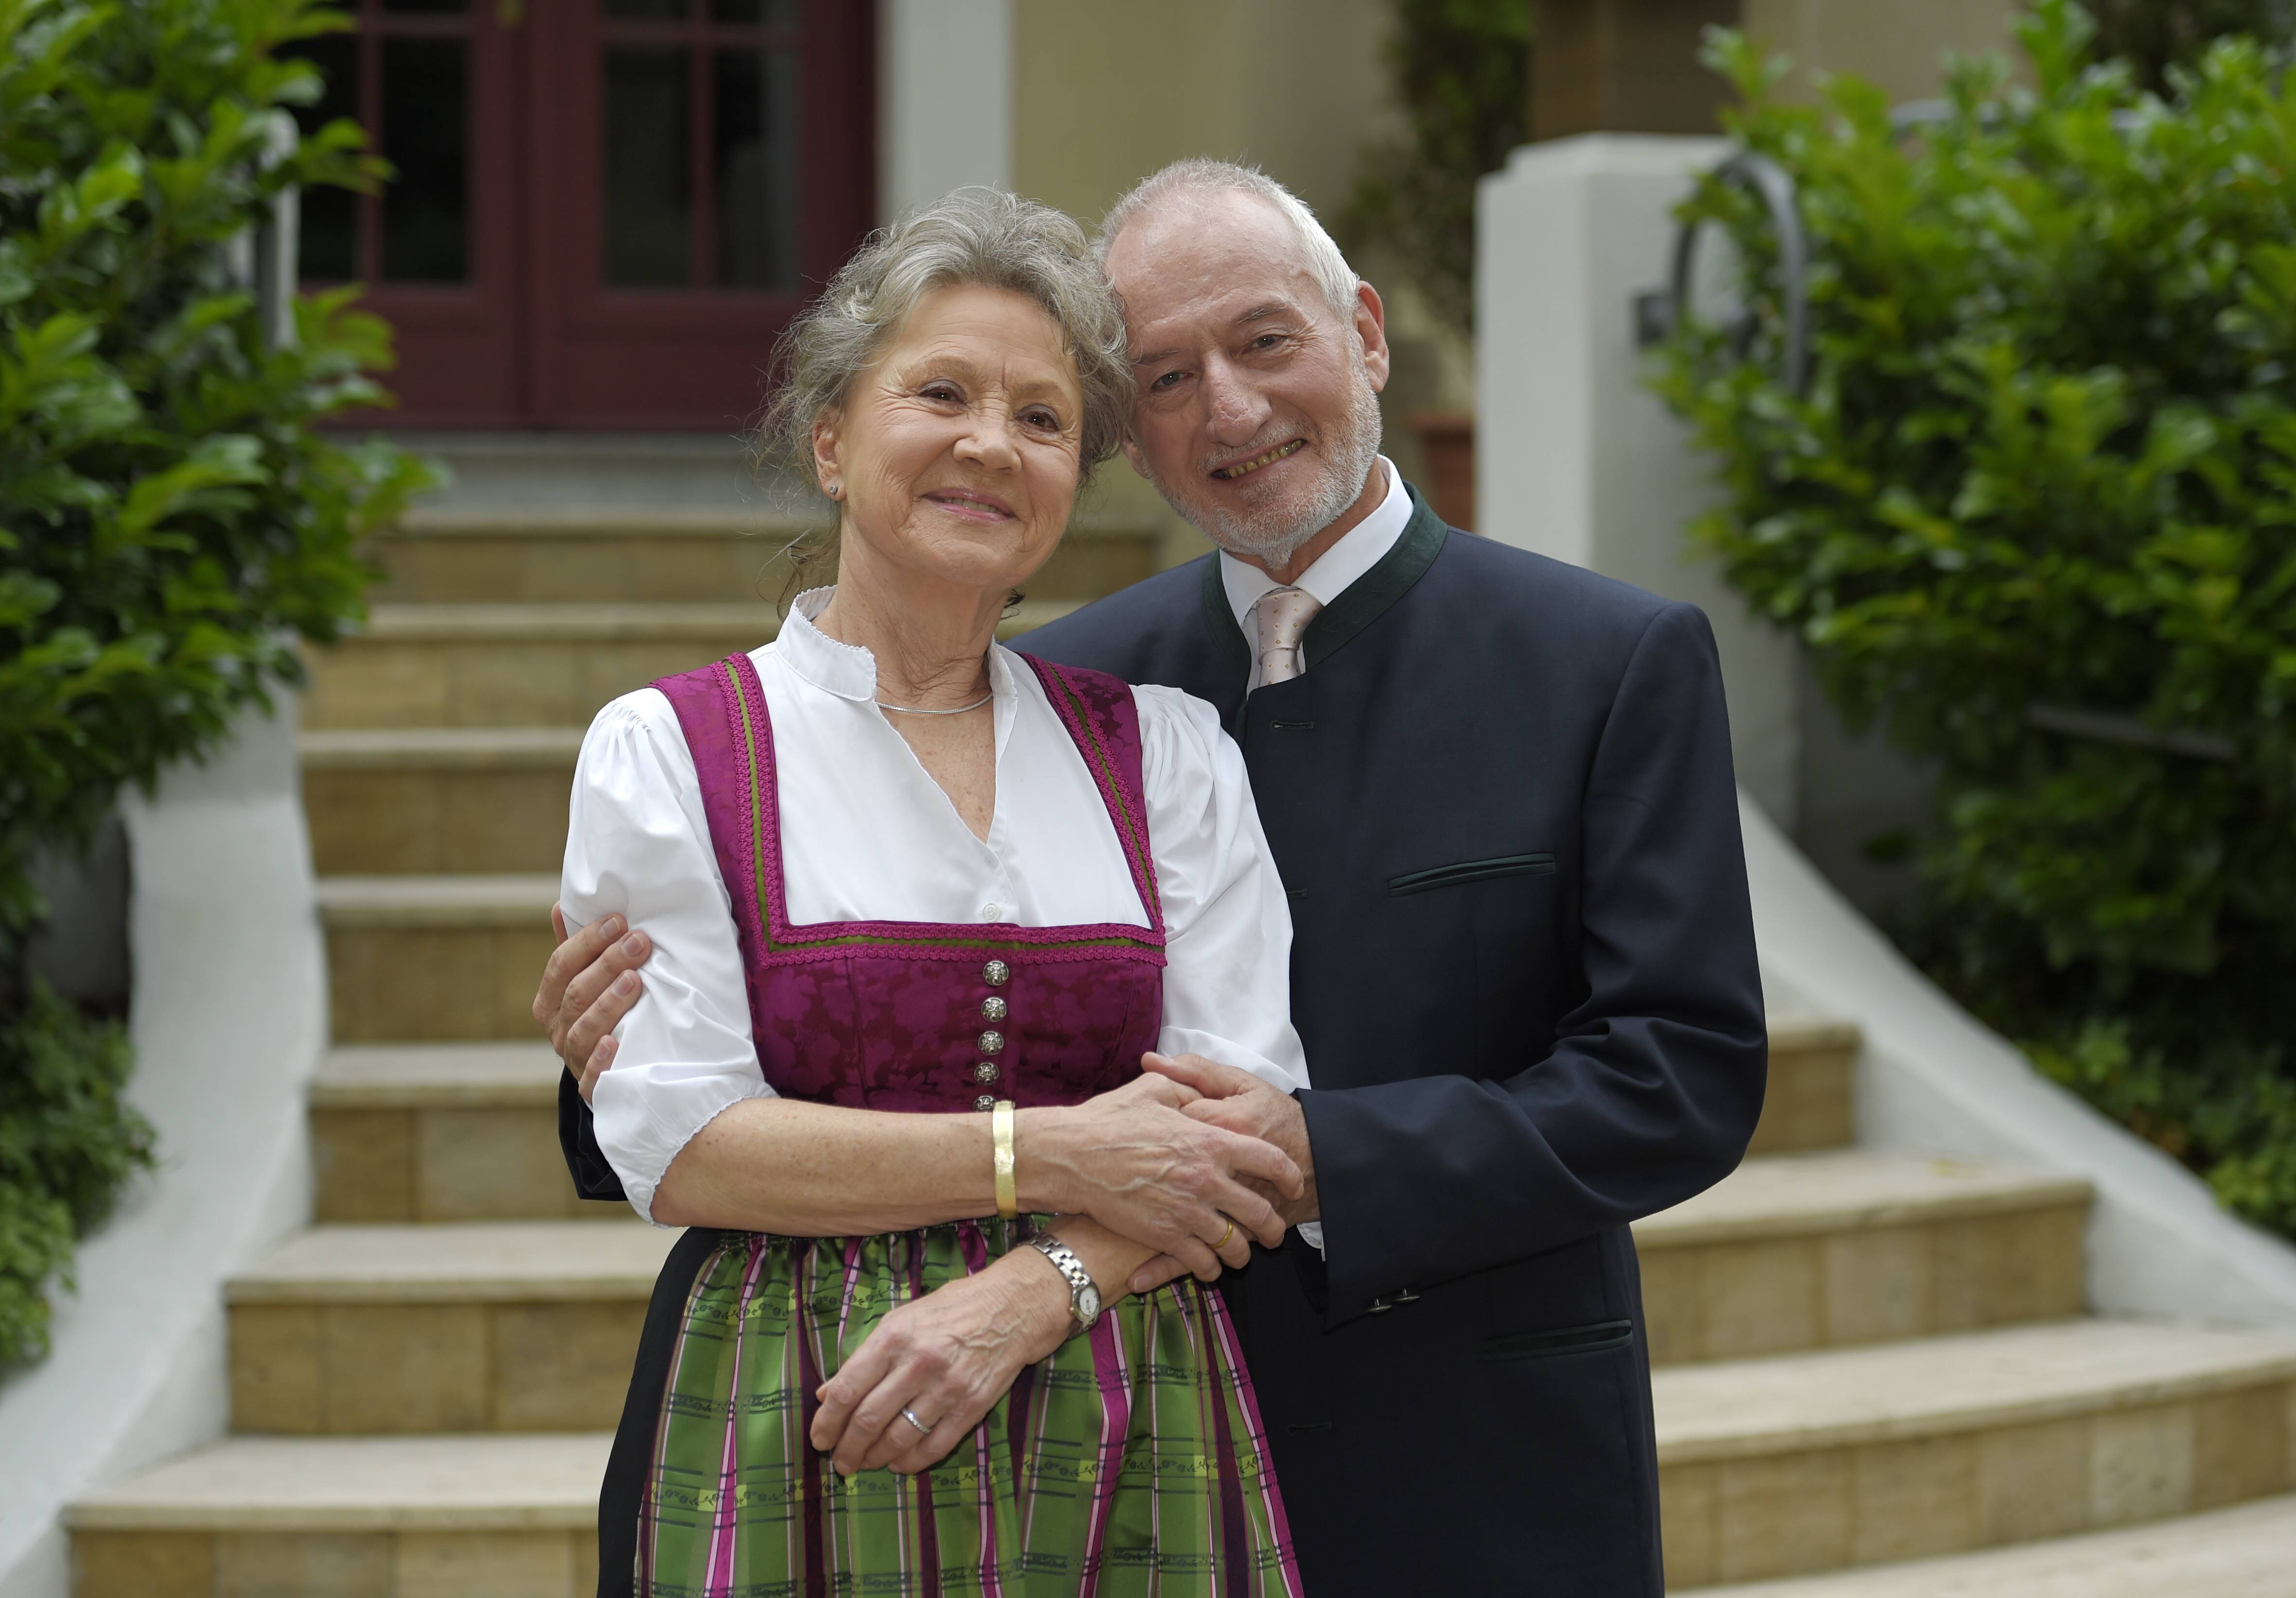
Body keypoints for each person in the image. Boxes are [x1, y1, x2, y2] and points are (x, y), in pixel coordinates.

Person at [549, 161, 1768, 1595]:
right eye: (1170, 378)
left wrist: (1317, 1159)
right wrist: (610, 1069)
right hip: (1104, 1435)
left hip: (1463, 1434)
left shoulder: (1603, 661)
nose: (1232, 412)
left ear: (1365, 335)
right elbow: (795, 1039)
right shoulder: (1094, 681)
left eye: (1267, 344)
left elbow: (1678, 1072)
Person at [552, 187, 1314, 1596]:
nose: (988, 444)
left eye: (1042, 419)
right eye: (942, 392)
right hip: (804, 1402)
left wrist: (1038, 1289)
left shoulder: (1164, 752)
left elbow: (1243, 1130)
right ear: (832, 440)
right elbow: (683, 1146)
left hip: (1121, 1386)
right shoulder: (672, 749)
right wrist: (1066, 1154)